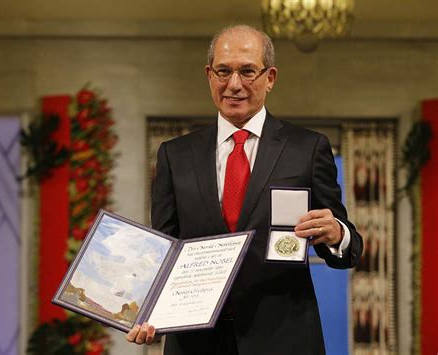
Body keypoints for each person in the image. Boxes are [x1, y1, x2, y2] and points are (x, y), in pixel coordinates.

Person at [126, 24, 363, 355]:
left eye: (247, 71)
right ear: (209, 75)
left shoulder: (307, 149)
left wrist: (337, 233)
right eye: (223, 71)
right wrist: (147, 310)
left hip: (285, 340)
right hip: (196, 345)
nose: (233, 84)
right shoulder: (175, 155)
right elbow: (164, 251)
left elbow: (346, 248)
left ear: (270, 78)